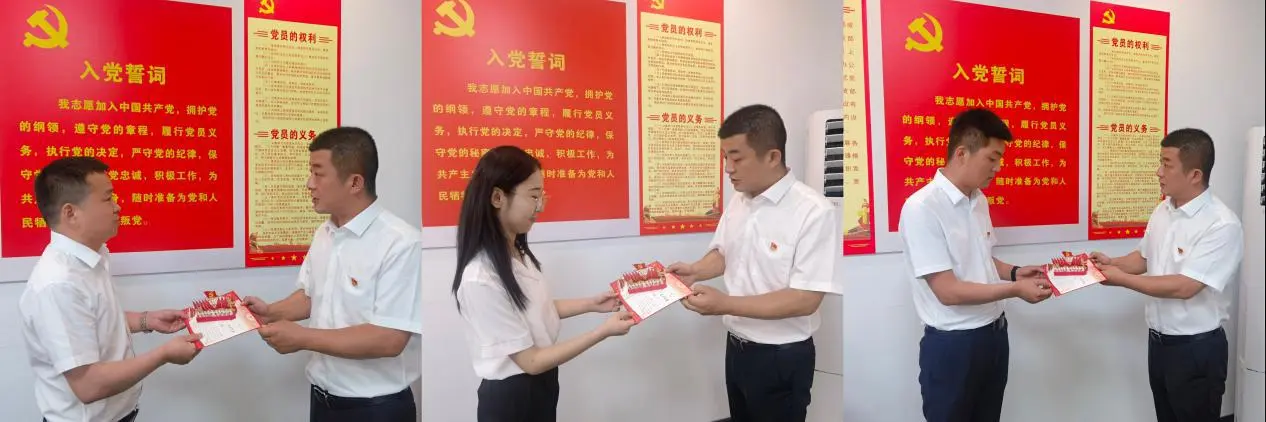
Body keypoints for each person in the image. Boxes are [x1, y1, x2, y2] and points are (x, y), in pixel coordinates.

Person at [666, 104, 841, 422]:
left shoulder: (814, 212)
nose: (728, 168)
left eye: (737, 158)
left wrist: (724, 304)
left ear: (772, 157)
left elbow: (805, 299)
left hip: (780, 356)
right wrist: (694, 271)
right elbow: (725, 253)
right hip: (737, 347)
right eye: (724, 158)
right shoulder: (740, 200)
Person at [243, 127, 422, 422]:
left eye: (318, 174)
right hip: (322, 399)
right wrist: (270, 312)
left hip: (375, 408)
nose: (309, 184)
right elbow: (312, 296)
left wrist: (302, 337)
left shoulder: (401, 242)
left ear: (354, 182)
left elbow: (389, 338)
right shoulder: (325, 233)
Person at [451, 145, 635, 422]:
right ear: (498, 197)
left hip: (541, 383)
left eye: (541, 196)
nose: (540, 207)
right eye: (533, 196)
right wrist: (602, 332)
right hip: (512, 397)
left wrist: (592, 304)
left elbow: (534, 309)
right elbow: (531, 361)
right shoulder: (481, 278)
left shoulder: (517, 252)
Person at [896, 108, 1052, 422]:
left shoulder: (978, 200)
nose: (998, 168)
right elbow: (948, 291)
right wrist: (1015, 289)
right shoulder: (922, 208)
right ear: (962, 153)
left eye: (1000, 159)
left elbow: (979, 257)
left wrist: (1014, 272)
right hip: (954, 347)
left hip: (994, 337)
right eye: (992, 158)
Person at [19, 157, 201, 422]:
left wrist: (146, 320)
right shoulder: (58, 284)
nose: (117, 207)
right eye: (107, 199)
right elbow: (88, 385)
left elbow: (94, 320)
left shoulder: (93, 255)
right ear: (71, 213)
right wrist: (163, 354)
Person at [1090, 128, 1243, 422]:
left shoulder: (1221, 224)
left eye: (1167, 164)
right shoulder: (1163, 209)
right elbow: (1144, 258)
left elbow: (1185, 287)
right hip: (1159, 345)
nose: (1158, 172)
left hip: (1196, 350)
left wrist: (1119, 279)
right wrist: (1112, 263)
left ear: (1194, 175)